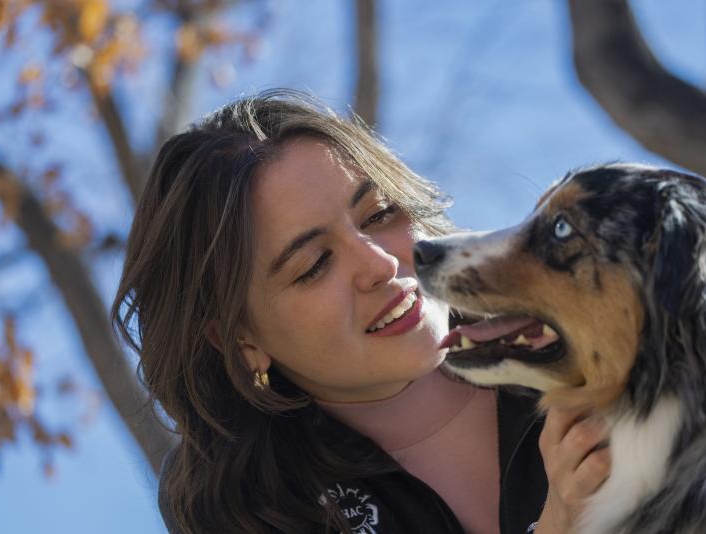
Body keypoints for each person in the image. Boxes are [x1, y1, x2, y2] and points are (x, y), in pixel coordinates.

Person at [112, 90, 610, 534]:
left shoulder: (593, 337)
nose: (380, 262)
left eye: (379, 214)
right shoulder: (239, 506)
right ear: (241, 342)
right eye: (313, 265)